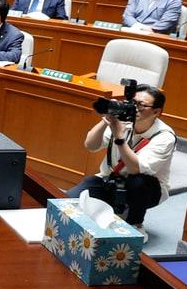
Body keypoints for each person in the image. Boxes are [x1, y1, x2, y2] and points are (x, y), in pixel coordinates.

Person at [68, 85, 174, 230]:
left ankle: (135, 223)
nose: (134, 108)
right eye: (133, 103)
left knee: (137, 183)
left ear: (157, 112)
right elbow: (90, 145)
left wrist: (119, 137)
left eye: (141, 105)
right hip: (111, 179)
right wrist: (105, 121)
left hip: (146, 188)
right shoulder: (124, 121)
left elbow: (136, 168)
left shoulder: (165, 136)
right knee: (69, 200)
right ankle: (114, 206)